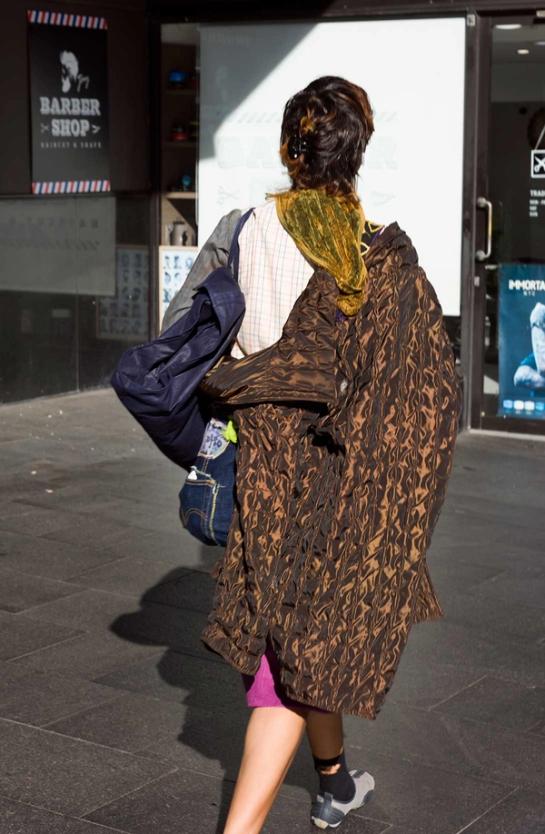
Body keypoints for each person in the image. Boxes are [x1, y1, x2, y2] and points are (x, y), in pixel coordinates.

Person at [163, 75, 461, 833]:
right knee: (292, 654)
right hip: (333, 478)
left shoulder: (245, 228)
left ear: (286, 148)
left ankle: (332, 781)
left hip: (262, 465)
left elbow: (190, 338)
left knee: (296, 635)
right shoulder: (370, 256)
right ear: (356, 152)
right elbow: (411, 396)